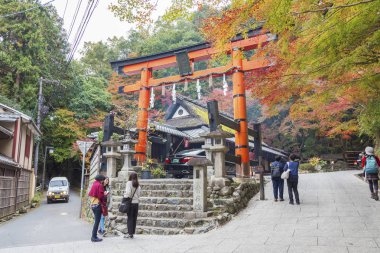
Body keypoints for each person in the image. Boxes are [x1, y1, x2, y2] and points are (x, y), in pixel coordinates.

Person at [88, 174, 106, 242]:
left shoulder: (94, 184)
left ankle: (94, 236)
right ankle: (94, 236)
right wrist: (105, 195)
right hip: (98, 205)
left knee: (96, 221)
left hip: (93, 204)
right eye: (103, 180)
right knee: (97, 222)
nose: (103, 181)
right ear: (101, 180)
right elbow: (101, 196)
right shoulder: (99, 185)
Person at [124, 172, 141, 239]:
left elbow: (128, 193)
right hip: (136, 203)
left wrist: (125, 195)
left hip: (130, 203)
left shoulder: (129, 183)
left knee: (130, 218)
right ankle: (132, 233)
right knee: (134, 218)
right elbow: (139, 194)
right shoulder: (138, 185)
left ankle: (129, 233)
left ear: (130, 176)